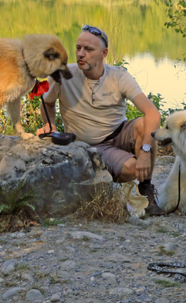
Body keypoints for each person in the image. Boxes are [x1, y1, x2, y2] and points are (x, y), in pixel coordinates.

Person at [37, 25, 166, 215]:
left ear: (104, 53)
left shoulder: (118, 75)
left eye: (88, 50)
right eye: (78, 48)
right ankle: (120, 178)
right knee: (132, 169)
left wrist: (146, 151)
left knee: (144, 124)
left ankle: (146, 190)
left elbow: (153, 113)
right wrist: (51, 124)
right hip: (94, 145)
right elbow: (47, 102)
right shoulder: (62, 75)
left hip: (120, 132)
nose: (81, 54)